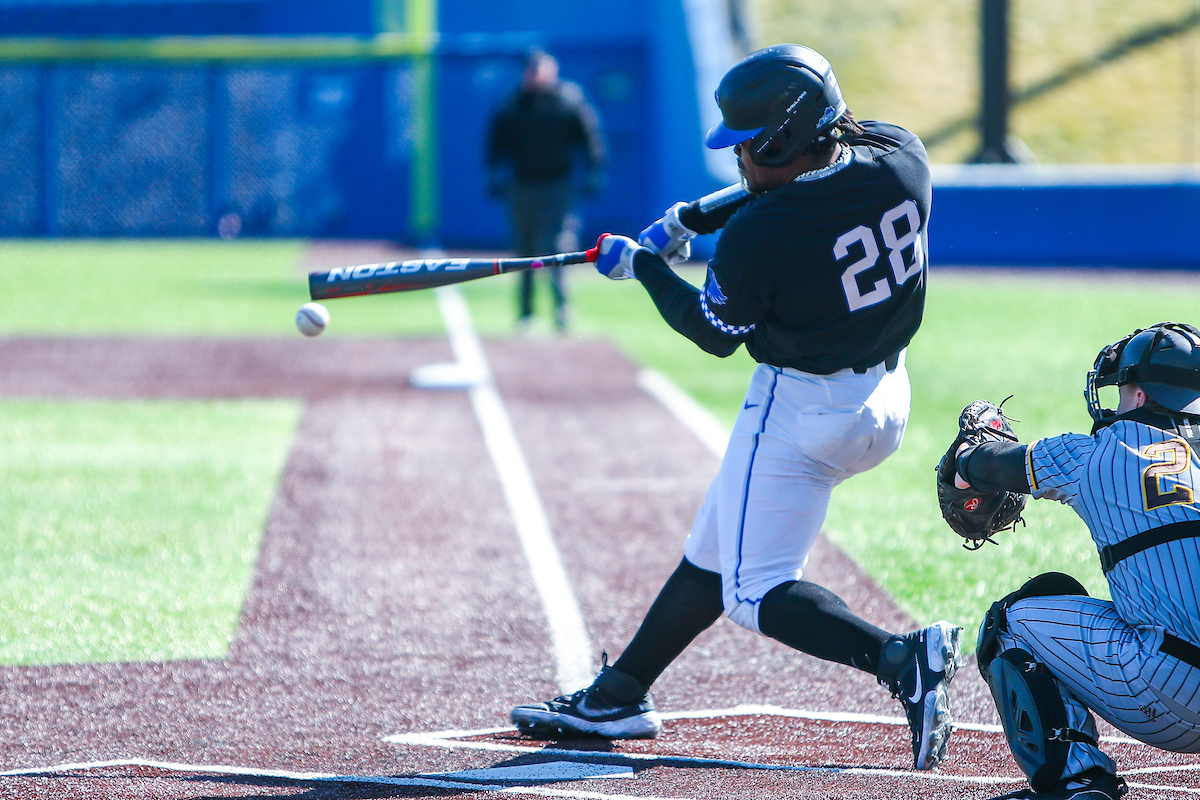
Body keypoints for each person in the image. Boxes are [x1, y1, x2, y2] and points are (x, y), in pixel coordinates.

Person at [510, 44, 960, 771]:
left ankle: (901, 659)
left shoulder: (762, 236)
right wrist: (693, 216)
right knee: (717, 544)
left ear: (784, 137)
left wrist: (644, 265)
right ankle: (620, 693)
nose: (741, 162)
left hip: (802, 412)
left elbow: (714, 334)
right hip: (885, 400)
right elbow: (807, 185)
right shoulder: (902, 156)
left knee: (753, 591)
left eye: (750, 147)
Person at [945, 321, 1200, 800]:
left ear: (1141, 397)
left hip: (1171, 694)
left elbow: (988, 464)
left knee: (1011, 620)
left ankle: (1078, 781)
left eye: (1123, 392)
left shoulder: (1103, 451)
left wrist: (963, 461)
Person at [485, 48, 606, 332]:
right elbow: (496, 140)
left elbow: (590, 137)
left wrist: (594, 171)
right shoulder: (513, 102)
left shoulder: (568, 99)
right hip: (522, 183)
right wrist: (492, 173)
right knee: (524, 251)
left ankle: (562, 310)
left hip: (558, 185)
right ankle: (526, 314)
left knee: (558, 247)